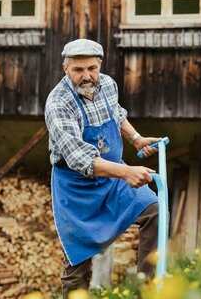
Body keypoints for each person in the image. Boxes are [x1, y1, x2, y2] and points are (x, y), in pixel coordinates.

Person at [45, 38, 160, 296]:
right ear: (66, 69)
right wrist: (127, 172)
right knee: (77, 266)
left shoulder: (107, 84)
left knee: (155, 211)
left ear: (100, 65)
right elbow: (80, 159)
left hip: (111, 179)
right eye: (78, 70)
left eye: (92, 68)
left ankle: (145, 291)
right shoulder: (58, 104)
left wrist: (136, 139)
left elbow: (116, 114)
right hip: (77, 190)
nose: (87, 76)